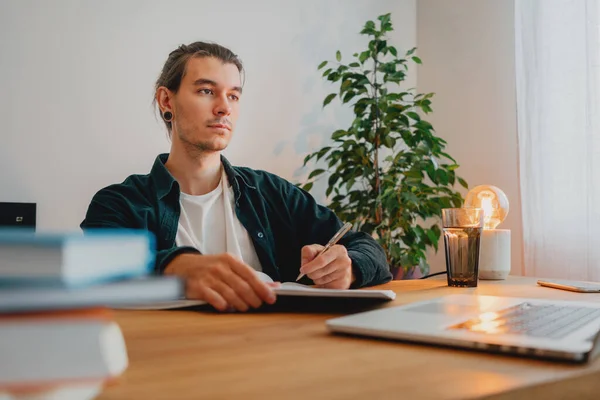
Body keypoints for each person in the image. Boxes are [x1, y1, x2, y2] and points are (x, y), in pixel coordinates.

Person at [81, 41, 392, 312]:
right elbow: (98, 264)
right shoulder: (118, 203)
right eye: (206, 91)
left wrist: (348, 267)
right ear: (167, 101)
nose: (223, 108)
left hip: (269, 357)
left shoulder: (272, 193)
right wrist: (176, 267)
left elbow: (368, 248)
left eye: (233, 96)